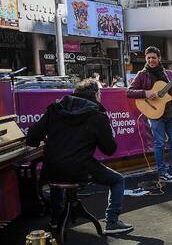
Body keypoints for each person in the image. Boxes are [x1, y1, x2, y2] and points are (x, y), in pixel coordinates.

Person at [26, 79, 133, 234]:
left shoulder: (55, 109)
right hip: (80, 169)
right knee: (118, 180)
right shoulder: (97, 116)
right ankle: (112, 222)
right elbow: (109, 150)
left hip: (51, 169)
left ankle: (55, 219)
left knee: (58, 169)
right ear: (96, 95)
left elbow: (31, 138)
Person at [127, 46, 172, 183]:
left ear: (159, 58)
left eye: (153, 57)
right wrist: (146, 93)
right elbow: (129, 92)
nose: (151, 60)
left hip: (171, 114)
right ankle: (162, 172)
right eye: (148, 58)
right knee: (159, 144)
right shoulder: (142, 75)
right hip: (155, 114)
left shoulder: (169, 74)